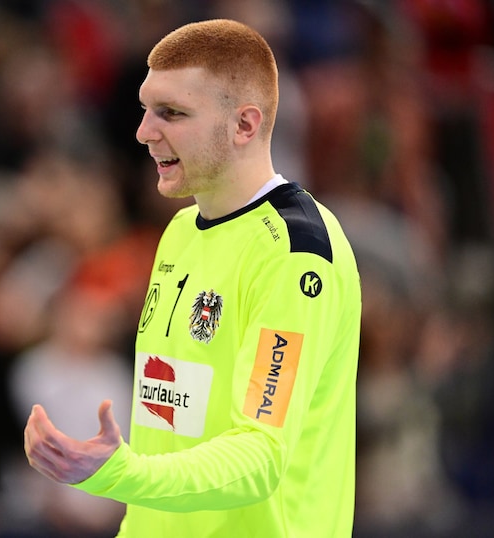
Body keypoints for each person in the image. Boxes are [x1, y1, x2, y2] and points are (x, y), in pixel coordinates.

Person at [24, 19, 362, 537]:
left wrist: (119, 472)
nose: (143, 132)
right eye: (145, 108)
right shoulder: (181, 230)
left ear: (245, 125)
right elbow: (172, 424)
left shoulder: (296, 256)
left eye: (172, 113)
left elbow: (260, 455)